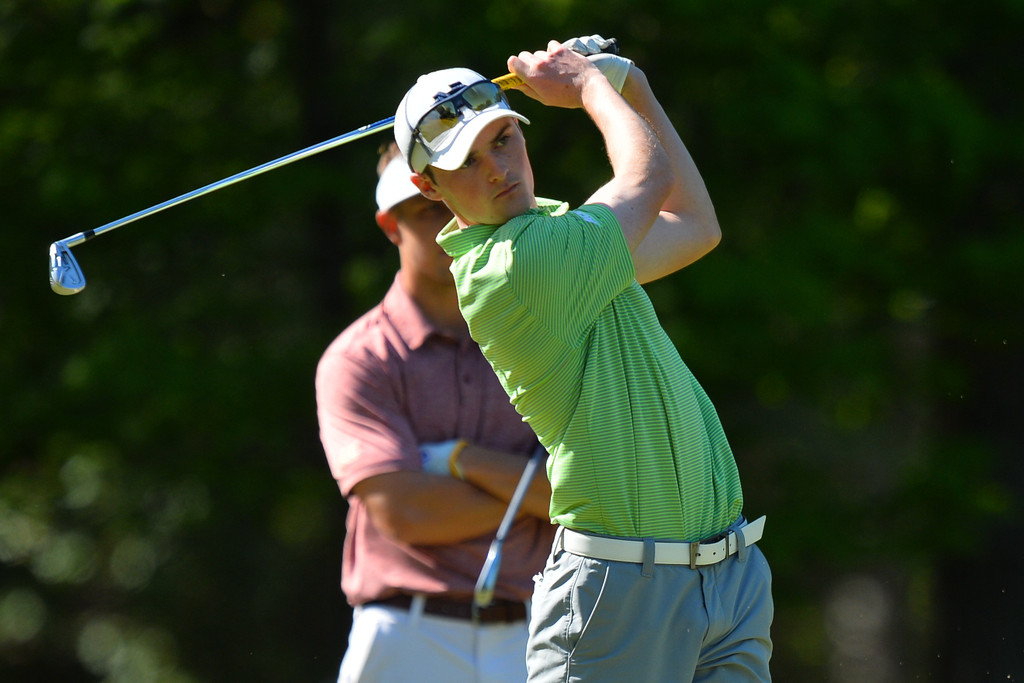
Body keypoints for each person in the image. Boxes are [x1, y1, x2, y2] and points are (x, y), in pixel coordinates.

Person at [392, 36, 773, 682]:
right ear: (428, 186)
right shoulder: (513, 268)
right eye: (466, 161)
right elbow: (648, 180)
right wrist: (588, 85)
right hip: (617, 595)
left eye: (503, 139)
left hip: (726, 578)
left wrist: (632, 83)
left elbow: (696, 223)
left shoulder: (564, 238)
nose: (497, 169)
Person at [315, 143, 555, 683]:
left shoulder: (544, 336)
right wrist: (534, 494)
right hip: (406, 636)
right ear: (390, 225)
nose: (451, 226)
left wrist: (462, 461)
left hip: (542, 633)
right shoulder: (359, 359)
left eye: (457, 207)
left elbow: (593, 492)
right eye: (429, 210)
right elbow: (406, 515)